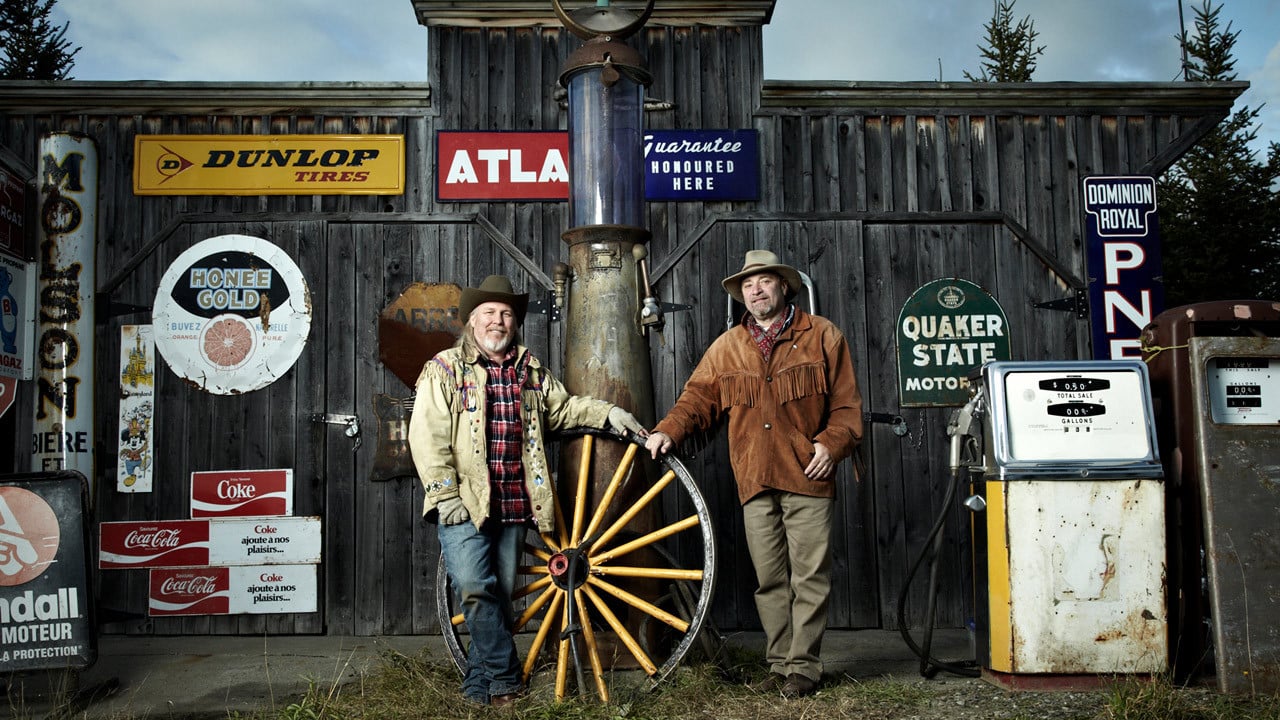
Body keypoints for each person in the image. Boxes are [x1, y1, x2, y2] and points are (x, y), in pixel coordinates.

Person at [409, 274, 645, 707]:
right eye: (489, 313)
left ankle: (478, 689)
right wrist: (445, 496)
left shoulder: (530, 371)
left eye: (506, 314)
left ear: (514, 323)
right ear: (472, 321)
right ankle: (506, 679)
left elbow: (564, 409)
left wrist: (609, 413)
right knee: (474, 586)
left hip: (515, 501)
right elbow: (426, 437)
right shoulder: (444, 369)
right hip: (465, 501)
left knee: (498, 594)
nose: (498, 321)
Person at [645, 250, 863, 698]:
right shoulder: (728, 347)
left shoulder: (823, 336)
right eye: (748, 285)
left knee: (810, 576)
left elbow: (846, 408)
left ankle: (803, 667)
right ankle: (781, 665)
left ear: (784, 287)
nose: (756, 290)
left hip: (808, 474)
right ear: (741, 294)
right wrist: (669, 430)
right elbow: (697, 400)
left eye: (764, 281)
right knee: (770, 579)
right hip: (754, 478)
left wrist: (831, 444)